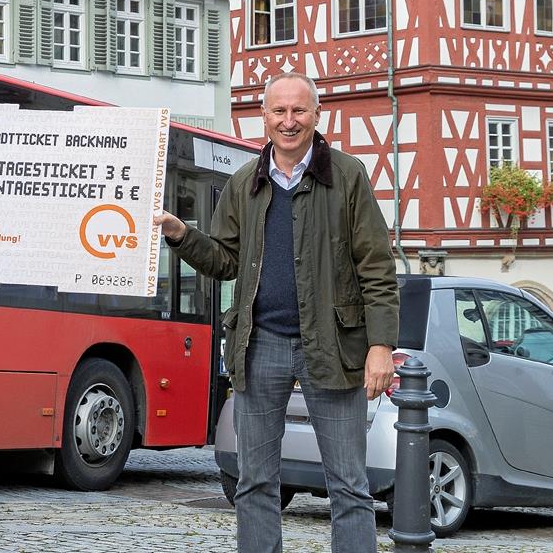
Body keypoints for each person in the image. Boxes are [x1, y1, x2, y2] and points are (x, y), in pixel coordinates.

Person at [154, 72, 399, 553]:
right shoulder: (245, 181)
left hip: (332, 345)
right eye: (279, 111)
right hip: (258, 343)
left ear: (316, 115)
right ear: (263, 117)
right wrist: (182, 235)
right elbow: (225, 260)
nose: (289, 121)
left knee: (348, 485)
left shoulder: (347, 176)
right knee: (255, 483)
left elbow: (376, 267)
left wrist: (380, 345)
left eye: (299, 111)